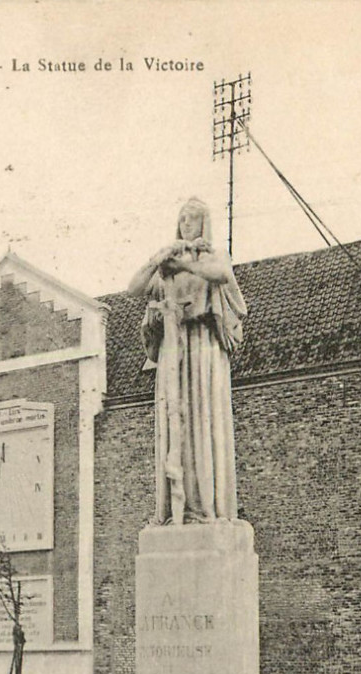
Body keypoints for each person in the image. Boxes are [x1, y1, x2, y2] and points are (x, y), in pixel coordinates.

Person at [128, 197, 247, 524]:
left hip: (202, 346)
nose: (187, 224)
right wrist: (158, 260)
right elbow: (133, 288)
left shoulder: (213, 255)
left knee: (202, 419)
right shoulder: (168, 266)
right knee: (174, 425)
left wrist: (186, 265)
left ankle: (206, 506)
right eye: (182, 219)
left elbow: (222, 274)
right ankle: (173, 512)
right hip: (172, 348)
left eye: (193, 219)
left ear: (204, 223)